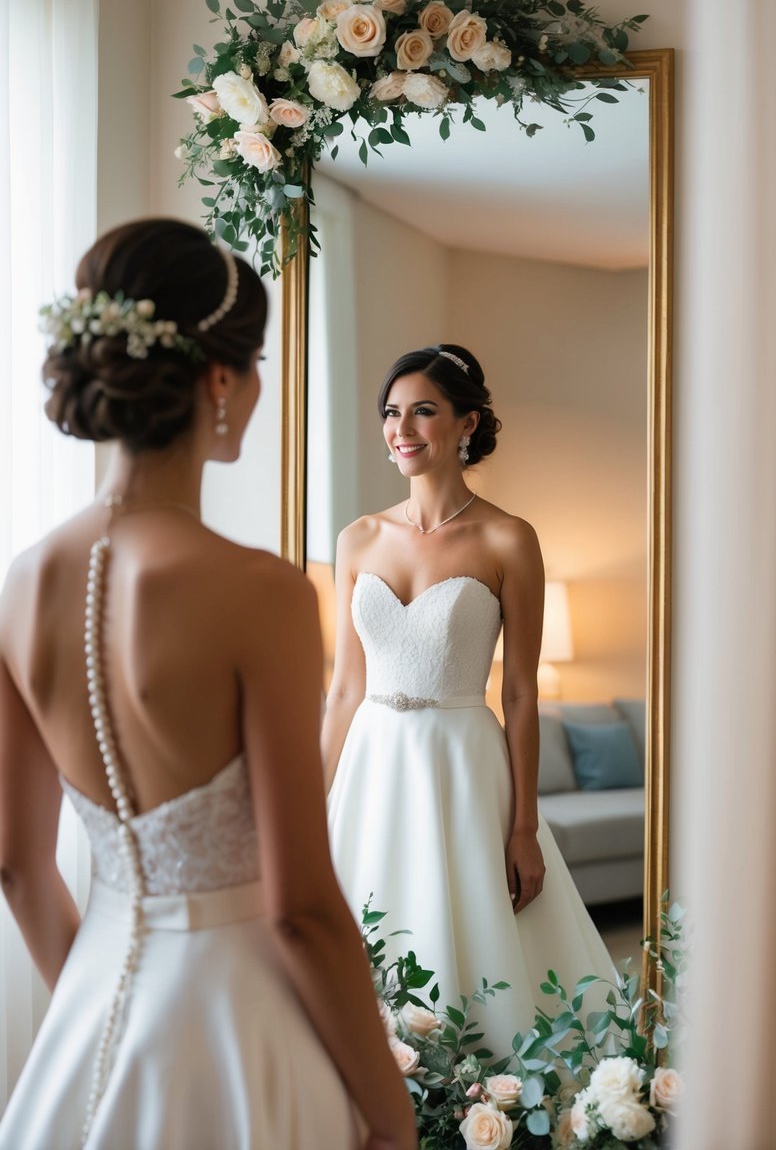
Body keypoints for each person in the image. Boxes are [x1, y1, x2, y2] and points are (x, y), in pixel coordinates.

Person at [0, 219, 417, 1150]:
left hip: (91, 1007)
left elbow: (20, 866)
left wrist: (107, 1009)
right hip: (238, 1026)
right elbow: (302, 909)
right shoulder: (260, 591)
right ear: (219, 379)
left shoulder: (22, 581)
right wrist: (393, 1120)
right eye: (256, 360)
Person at [323, 343, 616, 1058]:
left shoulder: (508, 539)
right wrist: (309, 801)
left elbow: (519, 692)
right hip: (370, 762)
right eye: (391, 413)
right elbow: (342, 688)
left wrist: (523, 827)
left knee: (470, 942)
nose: (402, 428)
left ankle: (482, 1100)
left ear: (466, 424)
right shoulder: (358, 538)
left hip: (460, 761)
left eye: (423, 410)